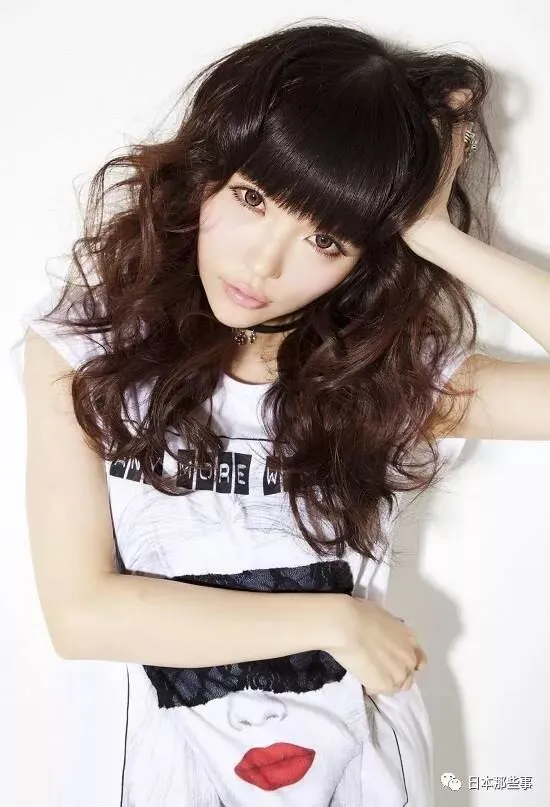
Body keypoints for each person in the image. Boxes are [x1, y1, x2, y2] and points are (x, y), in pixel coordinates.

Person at [11, 19, 550, 807]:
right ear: (205, 174)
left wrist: (433, 233)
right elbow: (84, 615)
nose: (263, 263)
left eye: (326, 239)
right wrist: (334, 623)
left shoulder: (384, 384)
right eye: (252, 198)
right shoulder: (85, 355)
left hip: (362, 776)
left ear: (367, 256)